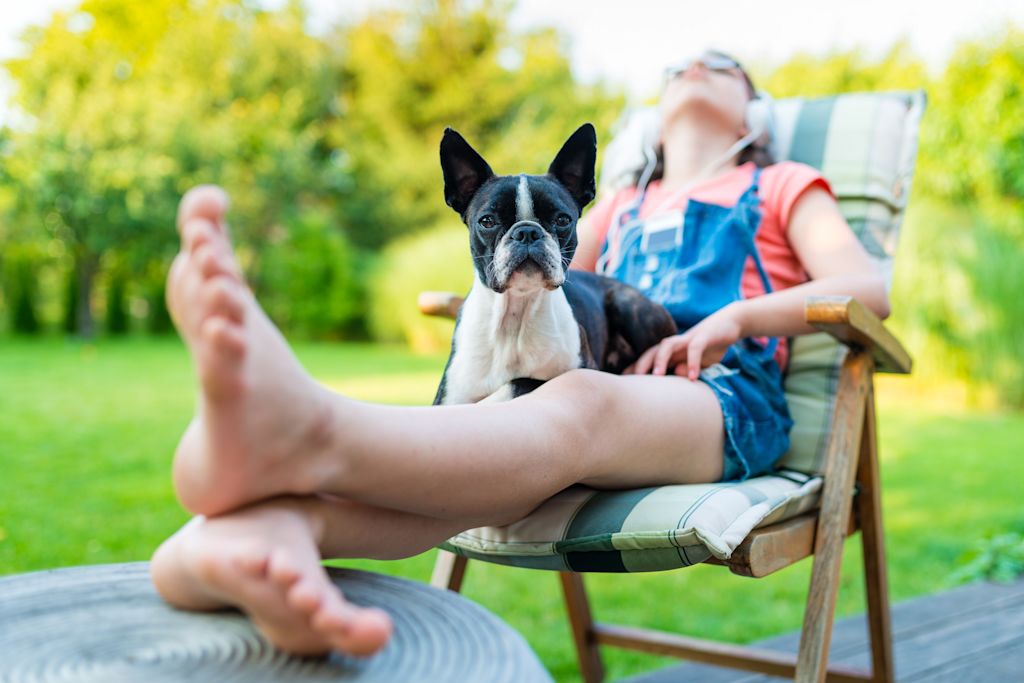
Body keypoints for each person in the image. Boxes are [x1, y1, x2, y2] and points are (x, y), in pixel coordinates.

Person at [149, 50, 890, 657]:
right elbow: (561, 295)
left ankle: (310, 426)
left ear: (752, 109)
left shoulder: (780, 182)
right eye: (678, 67)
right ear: (655, 117)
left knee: (573, 399)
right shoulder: (621, 204)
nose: (694, 66)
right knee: (507, 458)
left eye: (719, 64)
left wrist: (737, 317)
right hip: (600, 401)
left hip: (724, 394)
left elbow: (867, 287)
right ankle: (251, 536)